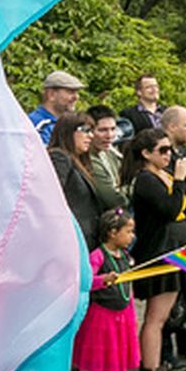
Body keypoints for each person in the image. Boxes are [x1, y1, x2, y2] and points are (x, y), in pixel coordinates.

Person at [123, 128, 186, 371]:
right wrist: (181, 181)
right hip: (161, 251)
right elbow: (168, 210)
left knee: (166, 316)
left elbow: (185, 209)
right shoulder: (146, 180)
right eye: (162, 150)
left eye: (170, 149)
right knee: (156, 318)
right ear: (146, 154)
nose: (169, 155)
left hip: (178, 250)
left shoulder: (164, 176)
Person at [76, 208, 142, 371]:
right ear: (113, 232)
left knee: (119, 360)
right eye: (128, 231)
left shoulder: (124, 256)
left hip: (122, 316)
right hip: (102, 317)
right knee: (101, 365)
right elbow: (84, 281)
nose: (132, 236)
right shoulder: (97, 256)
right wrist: (102, 280)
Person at [47, 113, 101, 249]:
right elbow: (53, 197)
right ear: (68, 131)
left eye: (92, 131)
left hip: (85, 239)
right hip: (70, 240)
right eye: (85, 130)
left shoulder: (79, 161)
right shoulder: (59, 157)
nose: (91, 136)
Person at [85, 105, 128, 210]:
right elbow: (115, 200)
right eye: (103, 130)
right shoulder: (87, 159)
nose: (109, 135)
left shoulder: (110, 152)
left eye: (113, 129)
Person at [28, 70, 84, 145]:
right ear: (51, 95)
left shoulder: (69, 124)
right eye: (70, 92)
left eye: (77, 92)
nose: (76, 97)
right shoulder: (38, 125)